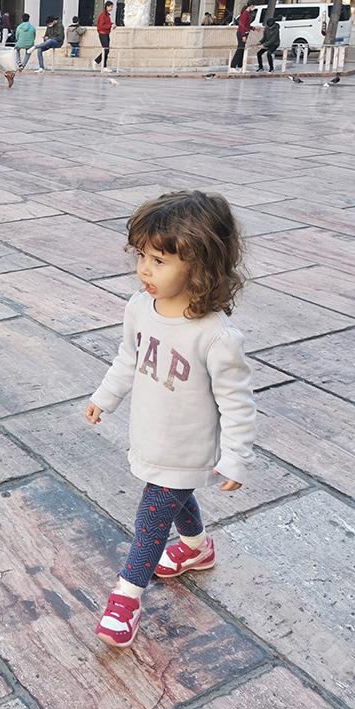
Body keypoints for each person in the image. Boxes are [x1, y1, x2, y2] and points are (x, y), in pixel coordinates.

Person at [86, 191, 255, 649]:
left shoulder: (215, 336)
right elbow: (128, 356)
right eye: (142, 255)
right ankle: (198, 548)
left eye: (159, 261)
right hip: (149, 433)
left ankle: (127, 594)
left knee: (152, 514)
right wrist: (105, 397)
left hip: (187, 442)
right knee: (172, 495)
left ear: (200, 266)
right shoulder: (139, 308)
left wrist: (237, 456)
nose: (144, 269)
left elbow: (237, 402)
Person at [230, 0, 256, 70]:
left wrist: (253, 28)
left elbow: (246, 25)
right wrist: (243, 35)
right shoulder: (245, 13)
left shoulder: (247, 13)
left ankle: (240, 66)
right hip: (242, 33)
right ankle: (233, 66)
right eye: (254, 6)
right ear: (251, 6)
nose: (254, 8)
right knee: (240, 50)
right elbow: (241, 25)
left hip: (244, 33)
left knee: (241, 50)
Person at [94, 1, 113, 68]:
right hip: (103, 34)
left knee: (106, 50)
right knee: (106, 50)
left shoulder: (107, 15)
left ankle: (103, 65)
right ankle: (97, 62)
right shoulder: (103, 15)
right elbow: (100, 26)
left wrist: (111, 24)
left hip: (106, 33)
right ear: (107, 7)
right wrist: (110, 26)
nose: (111, 8)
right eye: (111, 7)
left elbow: (106, 24)